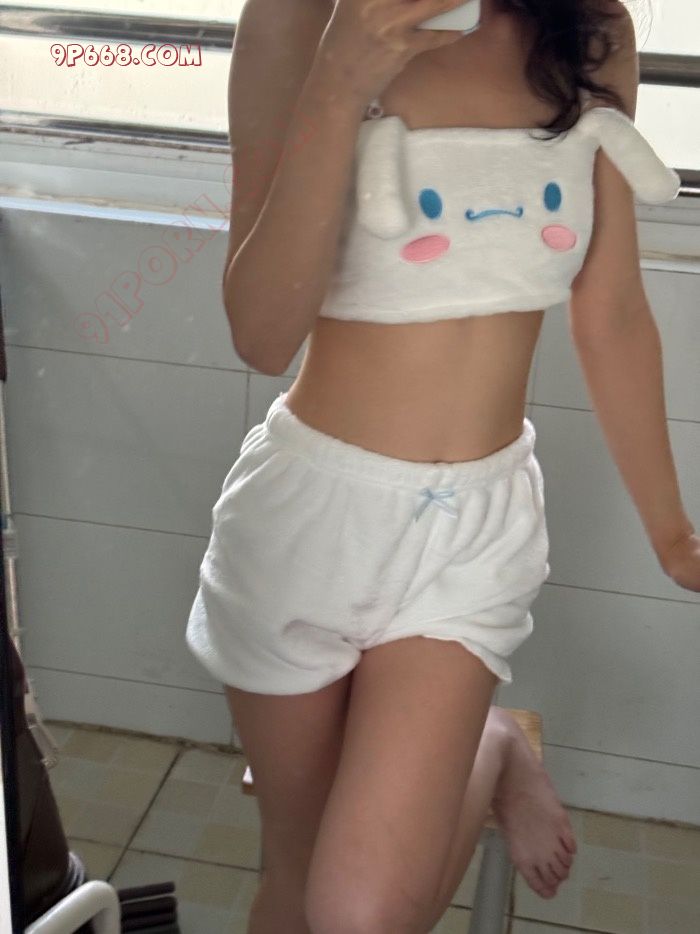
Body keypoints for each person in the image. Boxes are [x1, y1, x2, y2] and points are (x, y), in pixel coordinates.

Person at [185, 0, 698, 931]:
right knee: (297, 873)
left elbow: (613, 308)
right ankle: (491, 746)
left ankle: (488, 748)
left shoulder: (587, 26)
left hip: (472, 529)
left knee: (359, 914)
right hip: (306, 520)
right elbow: (261, 334)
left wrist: (673, 534)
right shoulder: (296, 22)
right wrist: (340, 81)